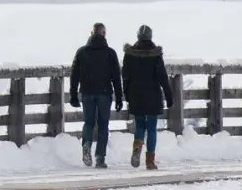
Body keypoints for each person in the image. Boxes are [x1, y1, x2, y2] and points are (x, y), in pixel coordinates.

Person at [69, 23, 122, 167]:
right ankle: (100, 157)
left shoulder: (82, 52)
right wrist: (119, 96)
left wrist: (73, 94)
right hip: (104, 93)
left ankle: (86, 146)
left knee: (89, 122)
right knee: (103, 124)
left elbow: (74, 75)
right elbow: (116, 76)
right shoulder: (110, 53)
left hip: (87, 92)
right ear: (104, 34)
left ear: (91, 33)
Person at [122, 25, 174, 170]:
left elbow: (125, 76)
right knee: (151, 127)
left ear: (138, 36)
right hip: (152, 94)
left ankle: (137, 146)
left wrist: (126, 94)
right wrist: (169, 95)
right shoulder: (155, 54)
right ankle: (150, 160)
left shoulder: (130, 54)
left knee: (139, 125)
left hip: (136, 94)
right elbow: (162, 77)